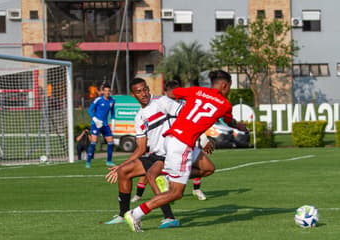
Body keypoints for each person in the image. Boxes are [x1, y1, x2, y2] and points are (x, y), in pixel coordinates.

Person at [124, 70, 235, 232]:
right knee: (176, 193)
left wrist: (181, 96)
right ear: (225, 85)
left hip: (175, 140)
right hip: (181, 143)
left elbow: (175, 93)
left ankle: (168, 177)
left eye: (145, 90)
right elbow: (227, 120)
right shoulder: (224, 103)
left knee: (208, 168)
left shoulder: (198, 91)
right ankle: (135, 213)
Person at [103, 78, 183, 228]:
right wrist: (122, 165)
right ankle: (123, 214)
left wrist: (202, 138)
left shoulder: (162, 101)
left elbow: (186, 115)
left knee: (152, 175)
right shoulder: (139, 117)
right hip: (155, 155)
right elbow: (140, 148)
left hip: (171, 154)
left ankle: (169, 217)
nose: (143, 93)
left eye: (145, 89)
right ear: (133, 95)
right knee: (124, 171)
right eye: (139, 91)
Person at [86, 83, 116, 168]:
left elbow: (112, 112)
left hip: (105, 124)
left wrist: (113, 122)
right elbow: (90, 110)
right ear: (102, 91)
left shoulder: (112, 100)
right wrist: (95, 119)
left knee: (110, 142)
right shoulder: (98, 100)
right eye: (105, 91)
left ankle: (109, 161)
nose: (107, 92)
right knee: (93, 141)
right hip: (96, 124)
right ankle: (88, 162)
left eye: (108, 91)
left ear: (110, 91)